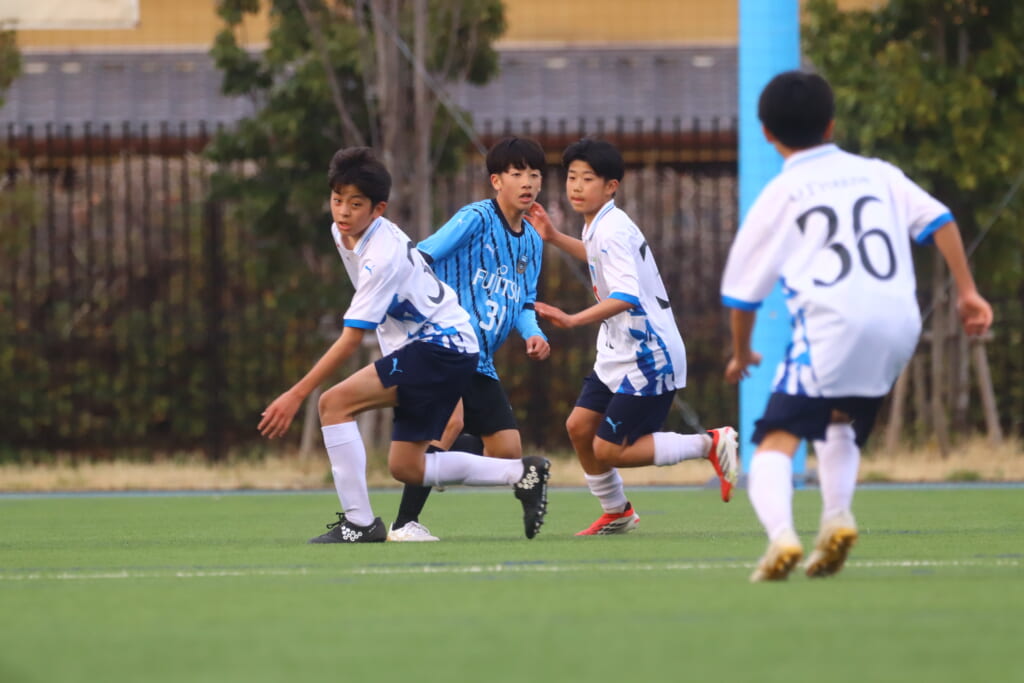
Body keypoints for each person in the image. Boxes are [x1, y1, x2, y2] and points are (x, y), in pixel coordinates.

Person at [720, 70, 994, 581]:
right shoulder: (878, 173)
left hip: (833, 326)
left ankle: (782, 537)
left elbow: (742, 296)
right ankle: (837, 518)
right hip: (899, 325)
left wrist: (741, 352)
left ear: (766, 133)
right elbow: (941, 220)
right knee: (838, 420)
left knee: (775, 439)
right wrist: (967, 292)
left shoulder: (781, 193)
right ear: (831, 125)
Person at [258, 147, 550, 543]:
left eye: (355, 204)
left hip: (441, 346)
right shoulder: (344, 232)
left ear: (378, 209)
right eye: (337, 199)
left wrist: (295, 394)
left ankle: (360, 524)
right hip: (442, 344)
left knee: (333, 403)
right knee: (407, 466)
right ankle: (521, 473)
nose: (343, 211)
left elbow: (351, 339)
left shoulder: (382, 257)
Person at [527, 138, 739, 536]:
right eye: (572, 177)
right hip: (619, 351)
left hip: (649, 355)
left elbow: (626, 296)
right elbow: (596, 256)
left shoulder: (610, 229)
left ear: (611, 187)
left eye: (588, 178)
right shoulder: (601, 223)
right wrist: (553, 236)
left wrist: (572, 320)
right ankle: (617, 511)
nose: (576, 186)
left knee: (609, 448)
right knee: (579, 427)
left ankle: (710, 444)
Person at [387, 137, 551, 542]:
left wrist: (533, 333)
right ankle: (404, 523)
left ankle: (440, 464)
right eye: (517, 173)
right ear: (496, 181)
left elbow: (524, 301)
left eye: (534, 174)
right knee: (450, 422)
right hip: (445, 346)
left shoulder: (532, 240)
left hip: (481, 360)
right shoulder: (475, 218)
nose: (527, 182)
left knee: (507, 453)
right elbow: (421, 256)